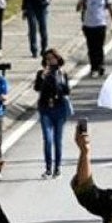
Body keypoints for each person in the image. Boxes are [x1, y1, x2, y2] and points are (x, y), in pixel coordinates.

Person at [33, 49, 71, 179]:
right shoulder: (41, 73)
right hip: (45, 109)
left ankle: (58, 168)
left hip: (59, 109)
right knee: (48, 140)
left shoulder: (62, 73)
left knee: (57, 140)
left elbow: (66, 91)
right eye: (47, 59)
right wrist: (43, 77)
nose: (50, 61)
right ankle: (48, 168)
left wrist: (58, 82)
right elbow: (37, 88)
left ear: (57, 59)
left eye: (52, 58)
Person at [77, 0, 112, 77]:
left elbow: (110, 10)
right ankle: (94, 67)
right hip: (88, 25)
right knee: (91, 47)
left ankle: (100, 65)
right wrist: (81, 4)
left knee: (99, 46)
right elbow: (78, 9)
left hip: (100, 24)